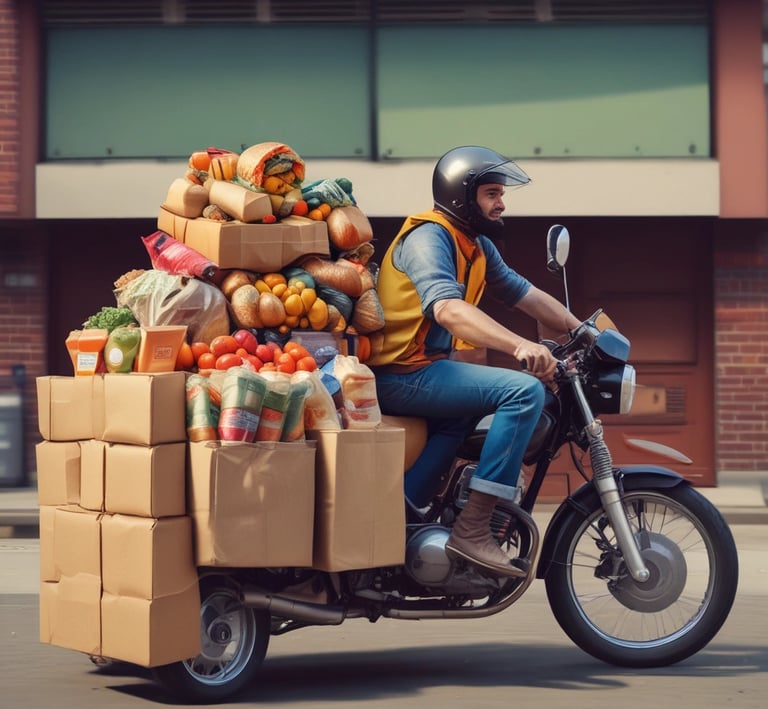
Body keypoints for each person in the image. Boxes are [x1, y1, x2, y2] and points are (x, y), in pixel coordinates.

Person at [366, 145, 581, 577]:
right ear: (462, 197)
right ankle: (474, 528)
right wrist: (520, 346)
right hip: (398, 374)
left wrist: (583, 331)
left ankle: (403, 519)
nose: (501, 204)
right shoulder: (429, 237)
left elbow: (524, 293)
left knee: (460, 420)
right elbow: (447, 308)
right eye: (491, 194)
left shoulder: (476, 245)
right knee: (524, 391)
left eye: (501, 194)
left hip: (425, 371)